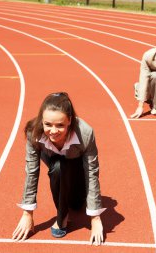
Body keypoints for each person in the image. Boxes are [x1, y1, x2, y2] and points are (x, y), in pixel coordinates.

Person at [12, 92, 105, 245]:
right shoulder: (33, 132)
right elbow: (32, 170)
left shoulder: (86, 133)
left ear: (70, 121)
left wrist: (95, 217)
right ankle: (62, 217)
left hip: (77, 165)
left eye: (60, 125)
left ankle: (73, 196)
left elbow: (91, 172)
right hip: (55, 163)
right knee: (57, 168)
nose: (53, 131)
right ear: (42, 121)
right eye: (48, 124)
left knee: (76, 203)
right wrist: (27, 213)